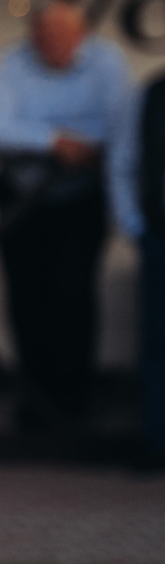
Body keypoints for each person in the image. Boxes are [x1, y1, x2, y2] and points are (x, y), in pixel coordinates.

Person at [0, 0, 132, 433]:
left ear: (82, 35)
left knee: (73, 295)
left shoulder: (107, 64)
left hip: (80, 197)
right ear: (32, 36)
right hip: (21, 195)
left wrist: (75, 147)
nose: (52, 42)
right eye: (44, 34)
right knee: (25, 297)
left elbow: (117, 126)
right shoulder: (13, 63)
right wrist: (55, 142)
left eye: (62, 34)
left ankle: (72, 400)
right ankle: (35, 399)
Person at [117, 65, 165, 466]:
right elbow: (125, 160)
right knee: (157, 341)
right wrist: (135, 225)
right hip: (160, 235)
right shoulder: (152, 93)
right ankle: (155, 441)